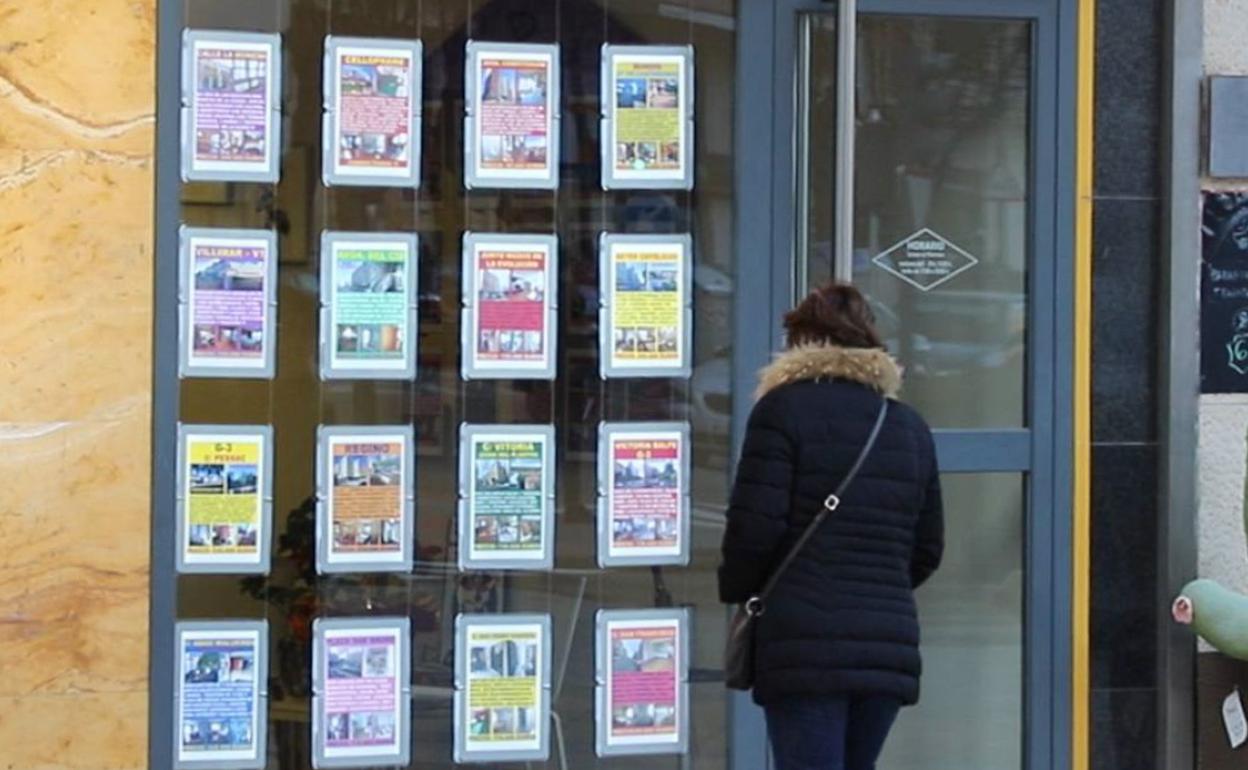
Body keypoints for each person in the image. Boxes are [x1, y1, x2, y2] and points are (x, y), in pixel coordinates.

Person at [718, 282, 944, 770]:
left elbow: (754, 529)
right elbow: (928, 548)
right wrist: (877, 589)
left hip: (802, 639)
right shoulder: (906, 426)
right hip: (887, 641)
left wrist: (740, 591)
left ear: (801, 342)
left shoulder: (780, 411)